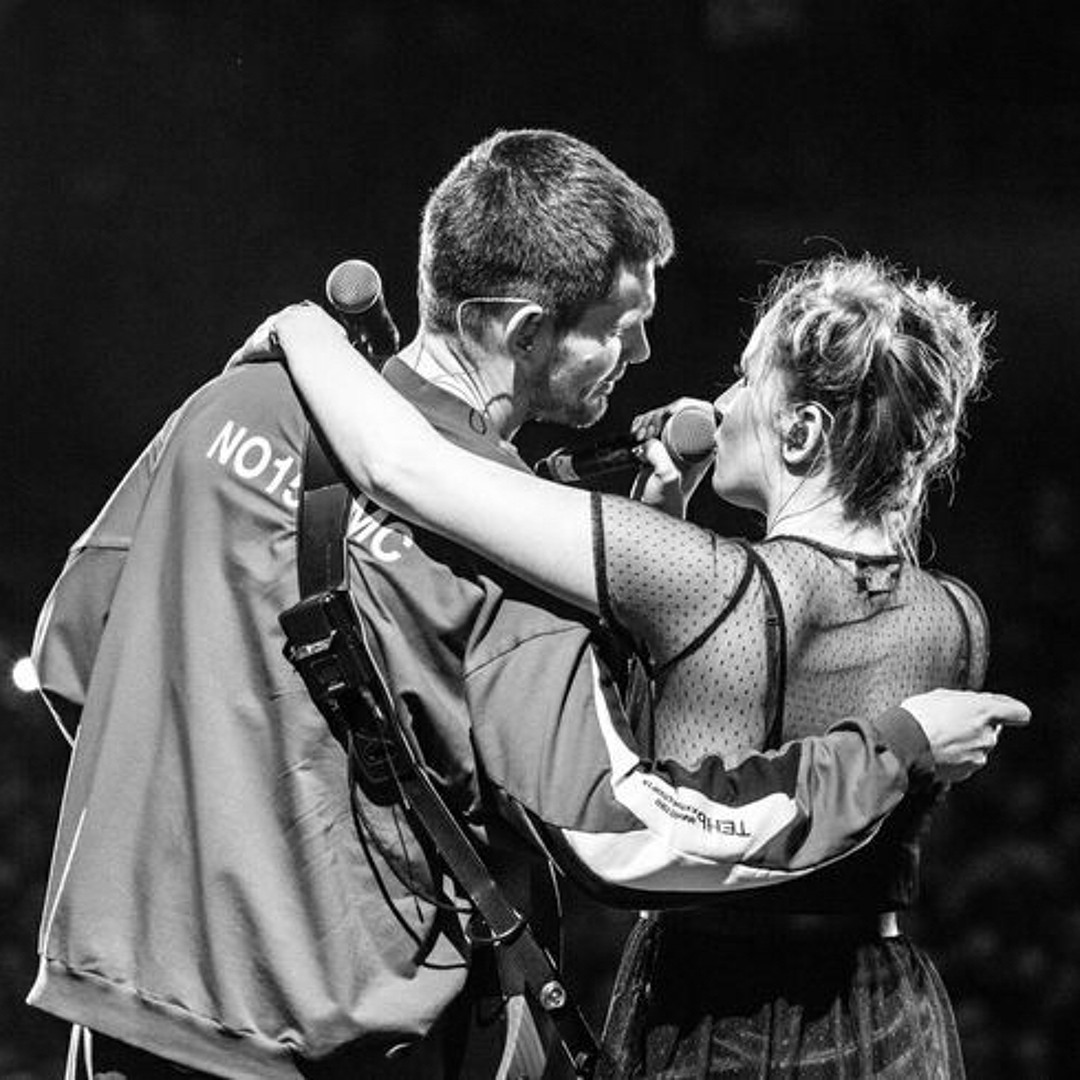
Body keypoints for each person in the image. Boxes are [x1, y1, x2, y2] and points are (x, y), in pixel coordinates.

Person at [29, 128, 1024, 1080]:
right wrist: (887, 751)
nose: (644, 356)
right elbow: (620, 833)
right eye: (621, 329)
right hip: (330, 1039)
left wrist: (202, 851)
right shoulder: (514, 558)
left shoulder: (229, 404)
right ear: (524, 331)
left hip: (119, 1000)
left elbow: (73, 654)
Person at [236, 249, 1020, 1078]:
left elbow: (406, 468)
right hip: (882, 1009)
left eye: (744, 380)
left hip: (712, 1012)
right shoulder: (956, 618)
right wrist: (666, 518)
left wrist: (304, 332)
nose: (721, 405)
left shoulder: (704, 578)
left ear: (801, 432)